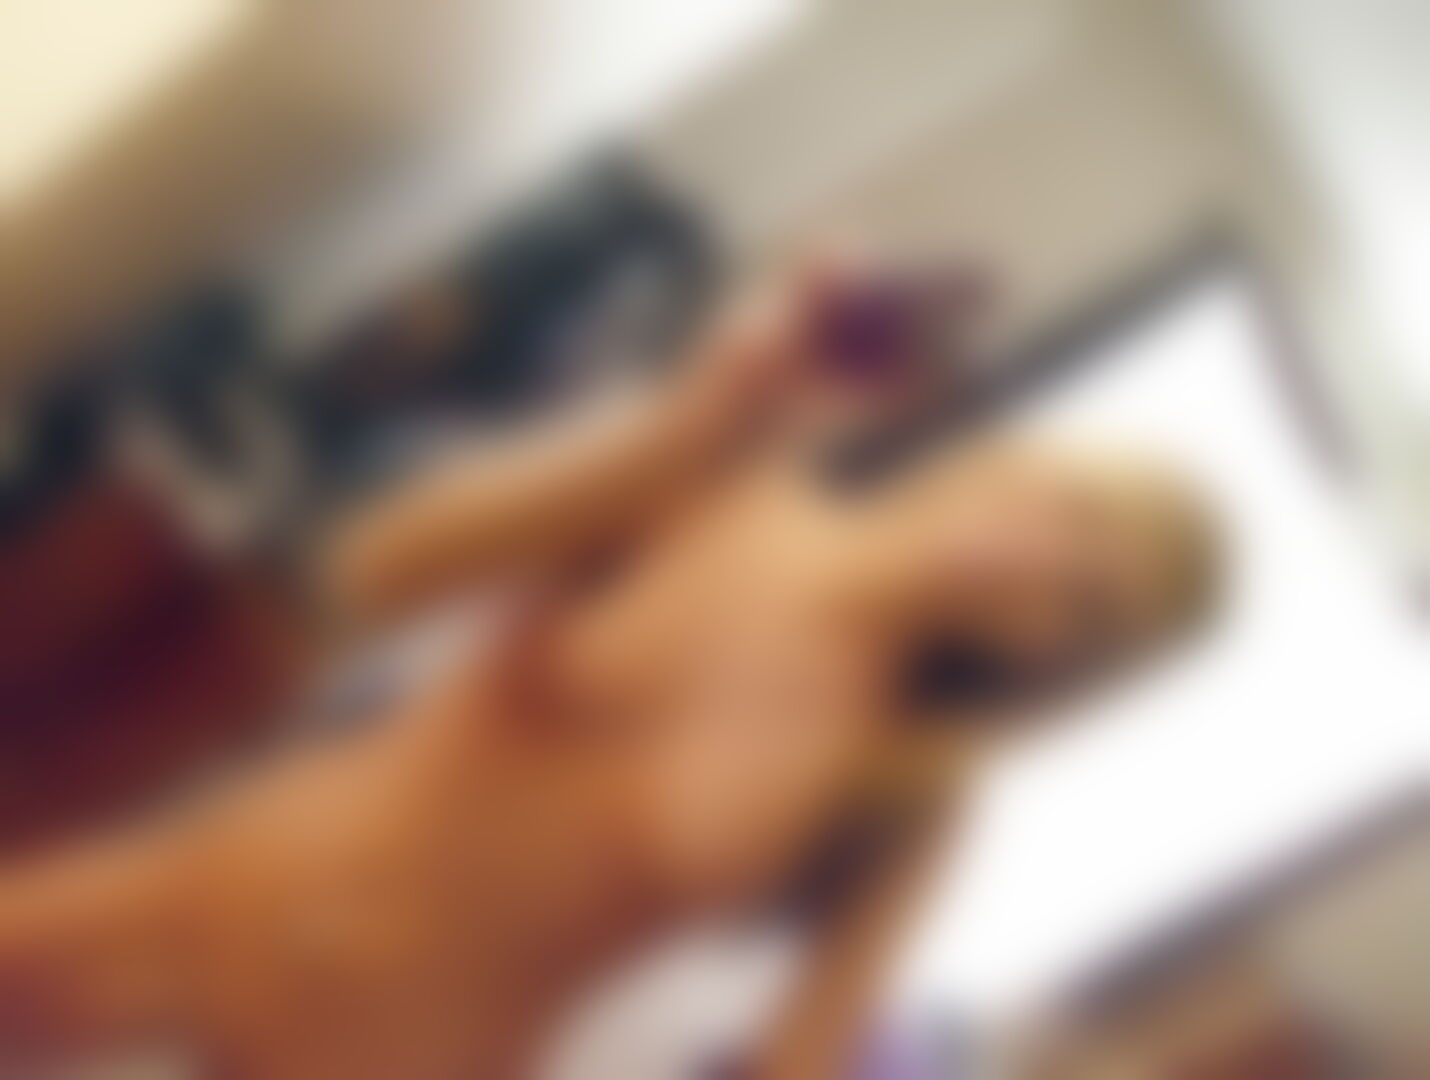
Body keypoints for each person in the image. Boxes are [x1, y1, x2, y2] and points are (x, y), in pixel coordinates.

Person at [0, 254, 1217, 1078]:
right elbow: (384, 566)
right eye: (1075, 518)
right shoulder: (729, 474)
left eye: (1083, 606)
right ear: (1021, 461)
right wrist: (686, 419)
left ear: (1049, 661)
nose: (1040, 563)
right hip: (195, 903)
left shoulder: (907, 799)